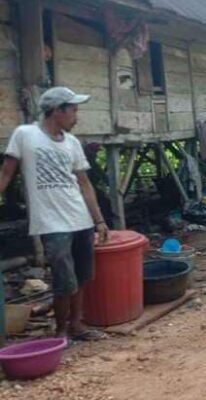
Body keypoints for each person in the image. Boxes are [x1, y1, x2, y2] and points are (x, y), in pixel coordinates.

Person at [0, 87, 110, 340]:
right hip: (51, 223)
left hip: (80, 218)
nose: (76, 117)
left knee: (82, 276)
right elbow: (7, 173)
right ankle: (61, 331)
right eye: (73, 111)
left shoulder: (72, 143)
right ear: (57, 111)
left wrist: (99, 221)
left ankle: (77, 326)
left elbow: (84, 184)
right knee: (64, 279)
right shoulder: (25, 135)